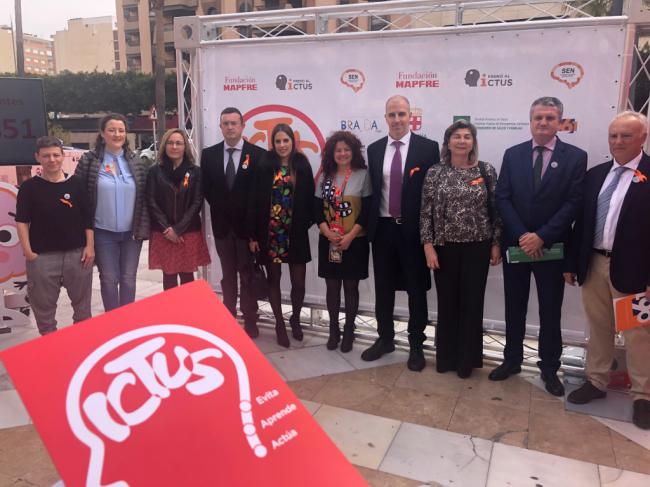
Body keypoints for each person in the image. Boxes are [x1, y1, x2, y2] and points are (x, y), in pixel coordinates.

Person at [490, 97, 587, 396]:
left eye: (549, 117)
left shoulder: (575, 156)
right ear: (530, 121)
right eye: (538, 118)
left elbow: (573, 202)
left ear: (560, 121)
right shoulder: (513, 154)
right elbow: (502, 197)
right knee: (514, 307)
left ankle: (549, 369)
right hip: (517, 246)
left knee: (550, 311)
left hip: (552, 248)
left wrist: (542, 236)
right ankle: (512, 361)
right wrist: (523, 235)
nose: (543, 123)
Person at [564, 111, 650, 429]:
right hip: (595, 265)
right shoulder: (597, 175)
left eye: (626, 136)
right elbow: (582, 224)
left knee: (637, 334)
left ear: (642, 138)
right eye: (613, 135)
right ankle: (596, 382)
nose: (617, 141)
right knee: (598, 327)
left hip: (635, 273)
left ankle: (643, 396)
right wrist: (573, 263)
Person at [362, 95, 440, 371]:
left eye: (401, 114)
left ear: (411, 117)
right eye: (392, 115)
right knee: (383, 289)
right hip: (382, 230)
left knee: (416, 290)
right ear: (385, 118)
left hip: (413, 232)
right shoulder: (373, 149)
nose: (397, 120)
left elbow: (432, 195)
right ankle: (385, 339)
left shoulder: (428, 149)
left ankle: (416, 346)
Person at [420, 120, 502, 378]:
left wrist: (496, 243)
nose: (462, 140)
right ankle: (446, 358)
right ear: (448, 142)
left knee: (472, 303)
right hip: (444, 248)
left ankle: (466, 360)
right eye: (457, 136)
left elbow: (495, 209)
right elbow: (425, 212)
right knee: (447, 303)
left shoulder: (486, 170)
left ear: (473, 143)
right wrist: (428, 246)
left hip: (478, 248)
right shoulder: (435, 172)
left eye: (467, 136)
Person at [16, 136, 94, 335]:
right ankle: (50, 350)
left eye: (56, 155)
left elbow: (87, 218)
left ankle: (82, 345)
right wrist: (28, 252)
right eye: (46, 156)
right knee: (44, 312)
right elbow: (22, 221)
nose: (52, 159)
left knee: (83, 310)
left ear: (62, 156)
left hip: (77, 255)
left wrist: (90, 246)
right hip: (42, 257)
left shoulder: (76, 183)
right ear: (38, 158)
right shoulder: (29, 188)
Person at [248, 124, 315, 348]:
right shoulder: (264, 165)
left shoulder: (302, 164)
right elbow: (255, 202)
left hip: (295, 234)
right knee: (274, 280)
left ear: (292, 141)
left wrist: (306, 223)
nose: (282, 145)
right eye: (278, 141)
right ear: (273, 143)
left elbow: (310, 199)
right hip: (271, 234)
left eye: (286, 140)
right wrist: (253, 236)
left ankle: (295, 319)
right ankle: (279, 323)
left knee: (299, 283)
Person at [201, 107, 266, 337]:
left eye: (234, 123)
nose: (230, 127)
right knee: (228, 275)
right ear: (220, 127)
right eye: (225, 123)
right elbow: (207, 190)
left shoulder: (257, 155)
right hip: (222, 229)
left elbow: (259, 196)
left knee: (247, 275)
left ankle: (250, 319)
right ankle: (229, 317)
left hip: (248, 232)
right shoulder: (208, 155)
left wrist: (255, 233)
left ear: (242, 126)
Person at [75, 113, 149, 311]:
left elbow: (145, 197)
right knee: (108, 279)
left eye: (121, 130)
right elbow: (79, 198)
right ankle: (112, 322)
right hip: (102, 232)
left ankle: (126, 321)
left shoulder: (136, 162)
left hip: (131, 234)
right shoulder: (89, 160)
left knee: (128, 278)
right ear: (102, 133)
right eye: (112, 130)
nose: (117, 134)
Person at [314, 131, 372, 353]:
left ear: (353, 152)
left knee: (351, 287)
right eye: (338, 150)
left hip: (354, 241)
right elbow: (316, 209)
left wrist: (349, 236)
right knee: (332, 286)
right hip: (329, 240)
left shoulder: (363, 175)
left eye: (346, 149)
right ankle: (333, 330)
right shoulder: (324, 177)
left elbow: (366, 211)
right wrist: (327, 232)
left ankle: (349, 330)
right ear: (332, 153)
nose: (342, 153)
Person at [146, 129, 210, 290]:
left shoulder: (195, 171)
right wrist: (167, 229)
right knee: (168, 276)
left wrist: (178, 229)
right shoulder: (155, 171)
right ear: (164, 146)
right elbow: (151, 201)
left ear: (185, 147)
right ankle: (171, 314)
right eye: (170, 143)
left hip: (188, 232)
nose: (174, 146)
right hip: (163, 231)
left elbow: (197, 202)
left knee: (187, 276)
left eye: (178, 143)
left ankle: (187, 314)